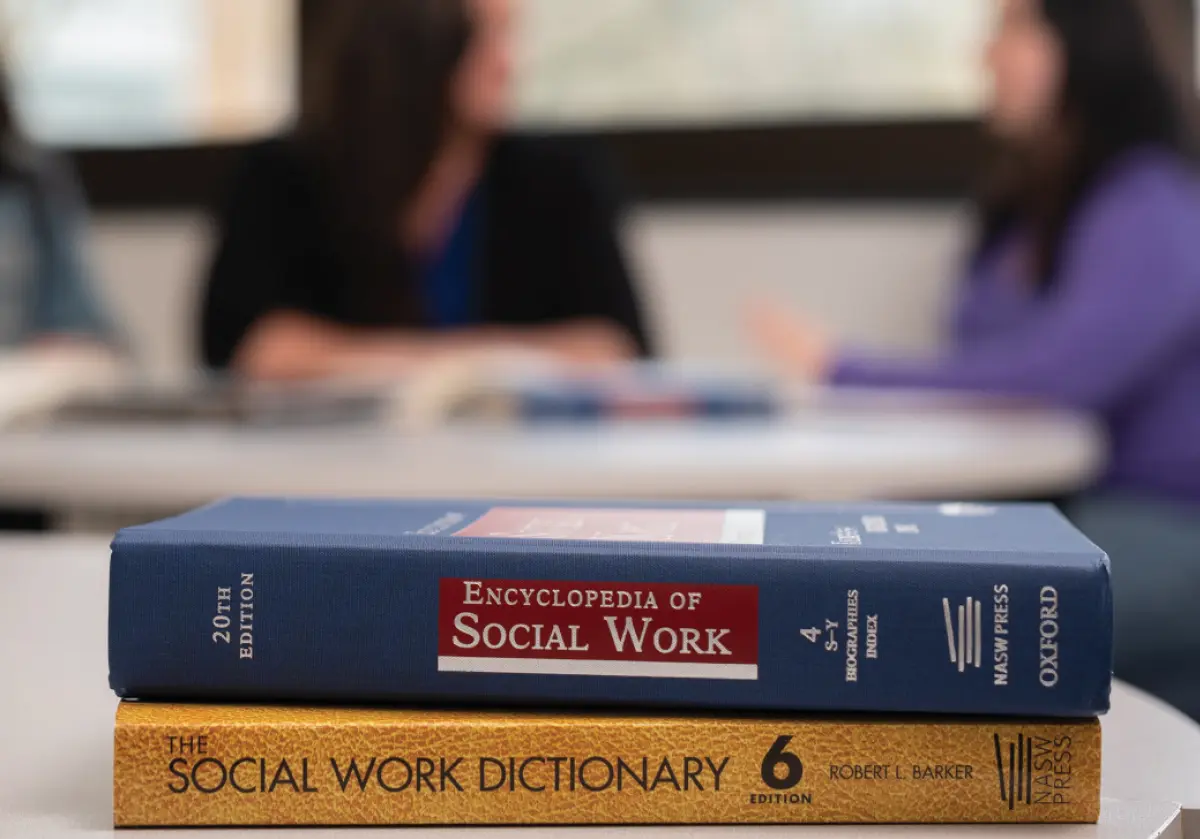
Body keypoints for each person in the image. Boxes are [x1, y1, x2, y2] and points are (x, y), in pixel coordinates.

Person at [754, 0, 1200, 719]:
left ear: (1084, 43)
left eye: (1012, 29)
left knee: (914, 620)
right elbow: (992, 354)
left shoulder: (1153, 203)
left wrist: (847, 368)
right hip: (1061, 504)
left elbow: (1054, 374)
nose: (985, 56)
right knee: (845, 568)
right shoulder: (1028, 204)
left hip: (1169, 516)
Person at [200, 0, 652, 381]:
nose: (510, 64)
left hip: (523, 465)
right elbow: (250, 349)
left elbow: (614, 349)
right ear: (412, 40)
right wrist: (495, 364)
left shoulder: (561, 176)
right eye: (485, 38)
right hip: (328, 461)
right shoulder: (283, 176)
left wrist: (369, 361)